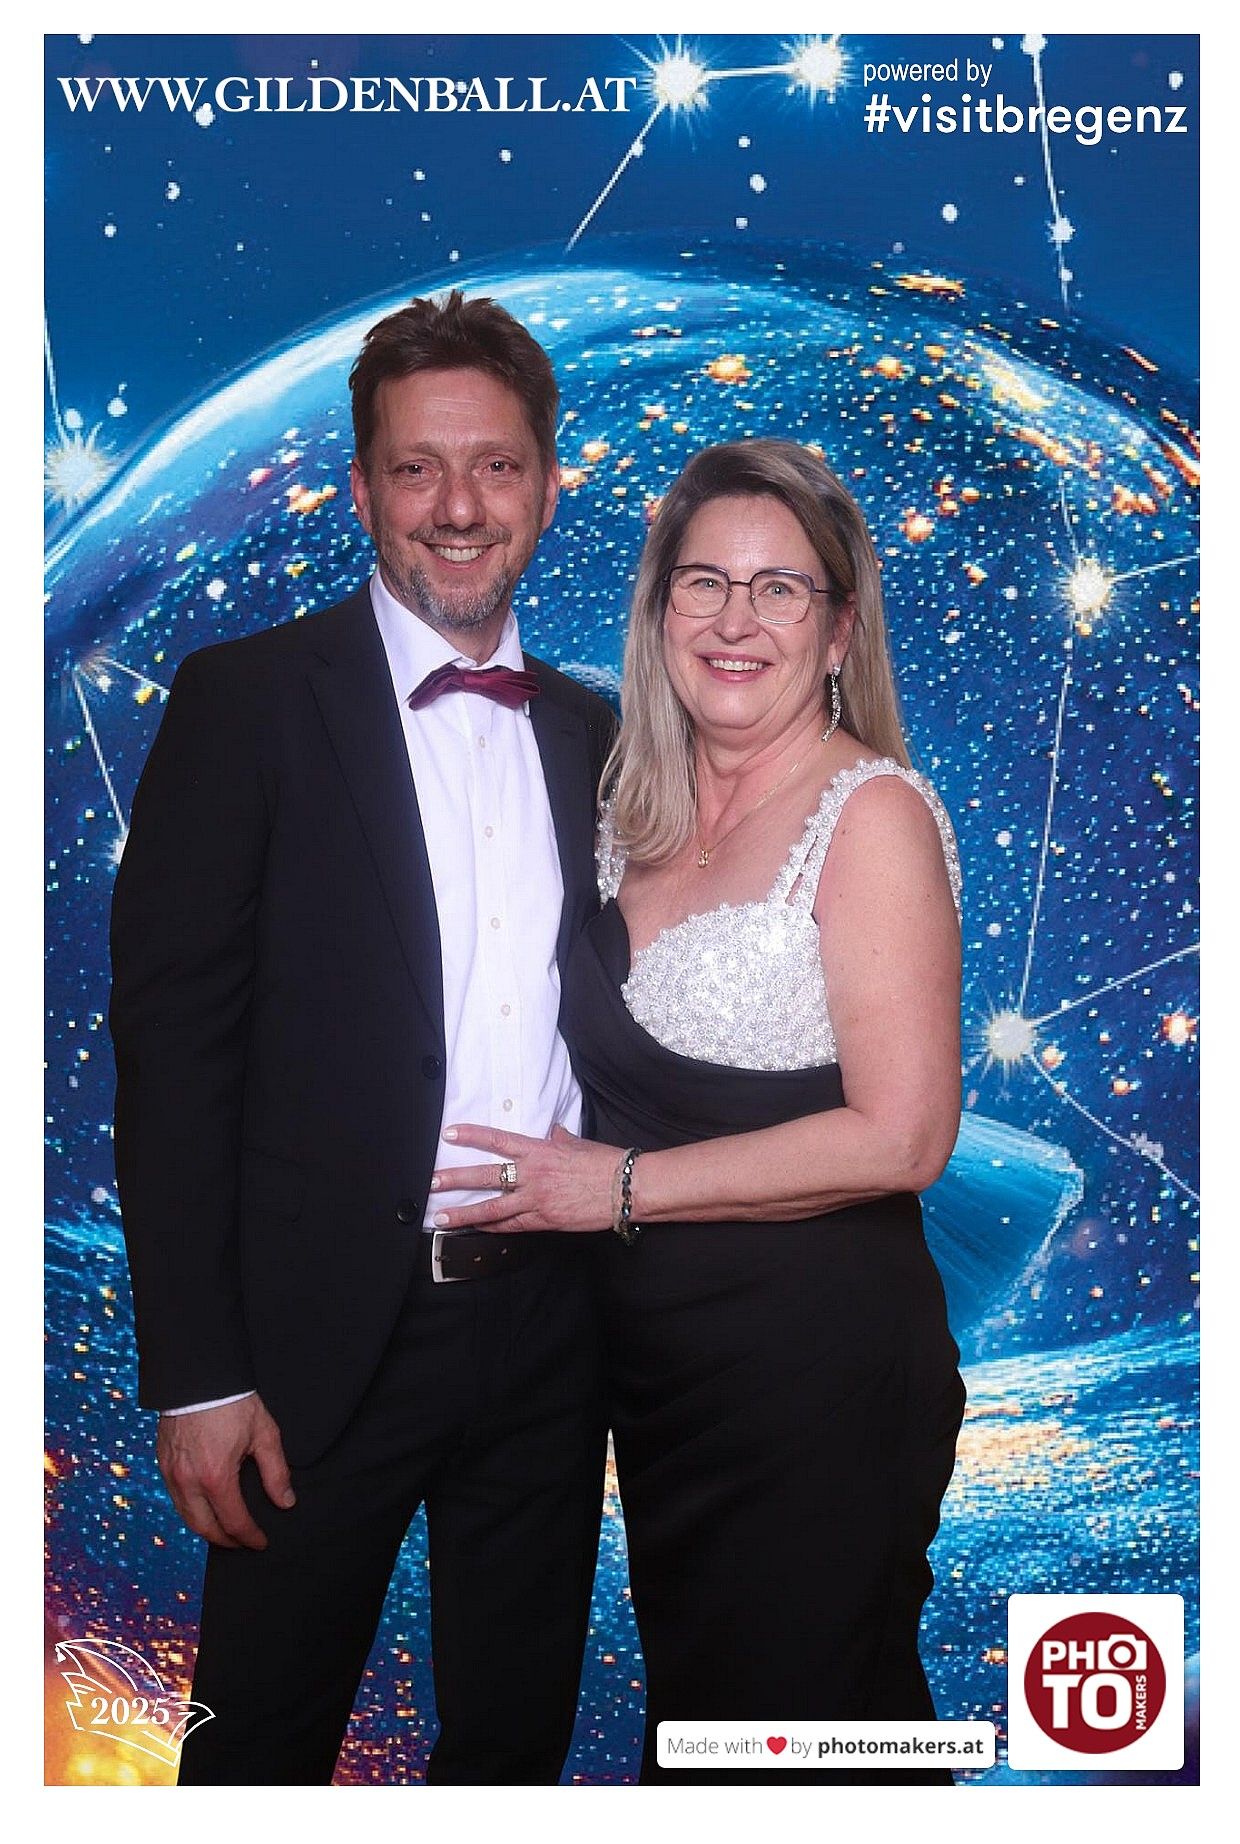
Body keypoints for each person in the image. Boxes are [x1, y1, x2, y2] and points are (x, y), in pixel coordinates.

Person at [109, 290, 617, 1785]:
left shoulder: (599, 735)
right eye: (416, 468)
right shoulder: (246, 701)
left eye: (496, 466)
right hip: (315, 1341)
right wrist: (196, 1376)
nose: (458, 508)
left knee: (511, 1750)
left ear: (547, 486)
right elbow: (174, 1058)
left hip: (554, 1334)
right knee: (252, 1752)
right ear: (362, 490)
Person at [427, 438, 966, 1784]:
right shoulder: (628, 811)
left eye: (781, 589)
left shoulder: (871, 815)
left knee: (804, 1742)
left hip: (816, 1373)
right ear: (660, 607)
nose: (737, 620)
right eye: (706, 583)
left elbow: (907, 1137)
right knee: (715, 1733)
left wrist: (610, 1188)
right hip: (664, 1380)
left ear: (839, 630)